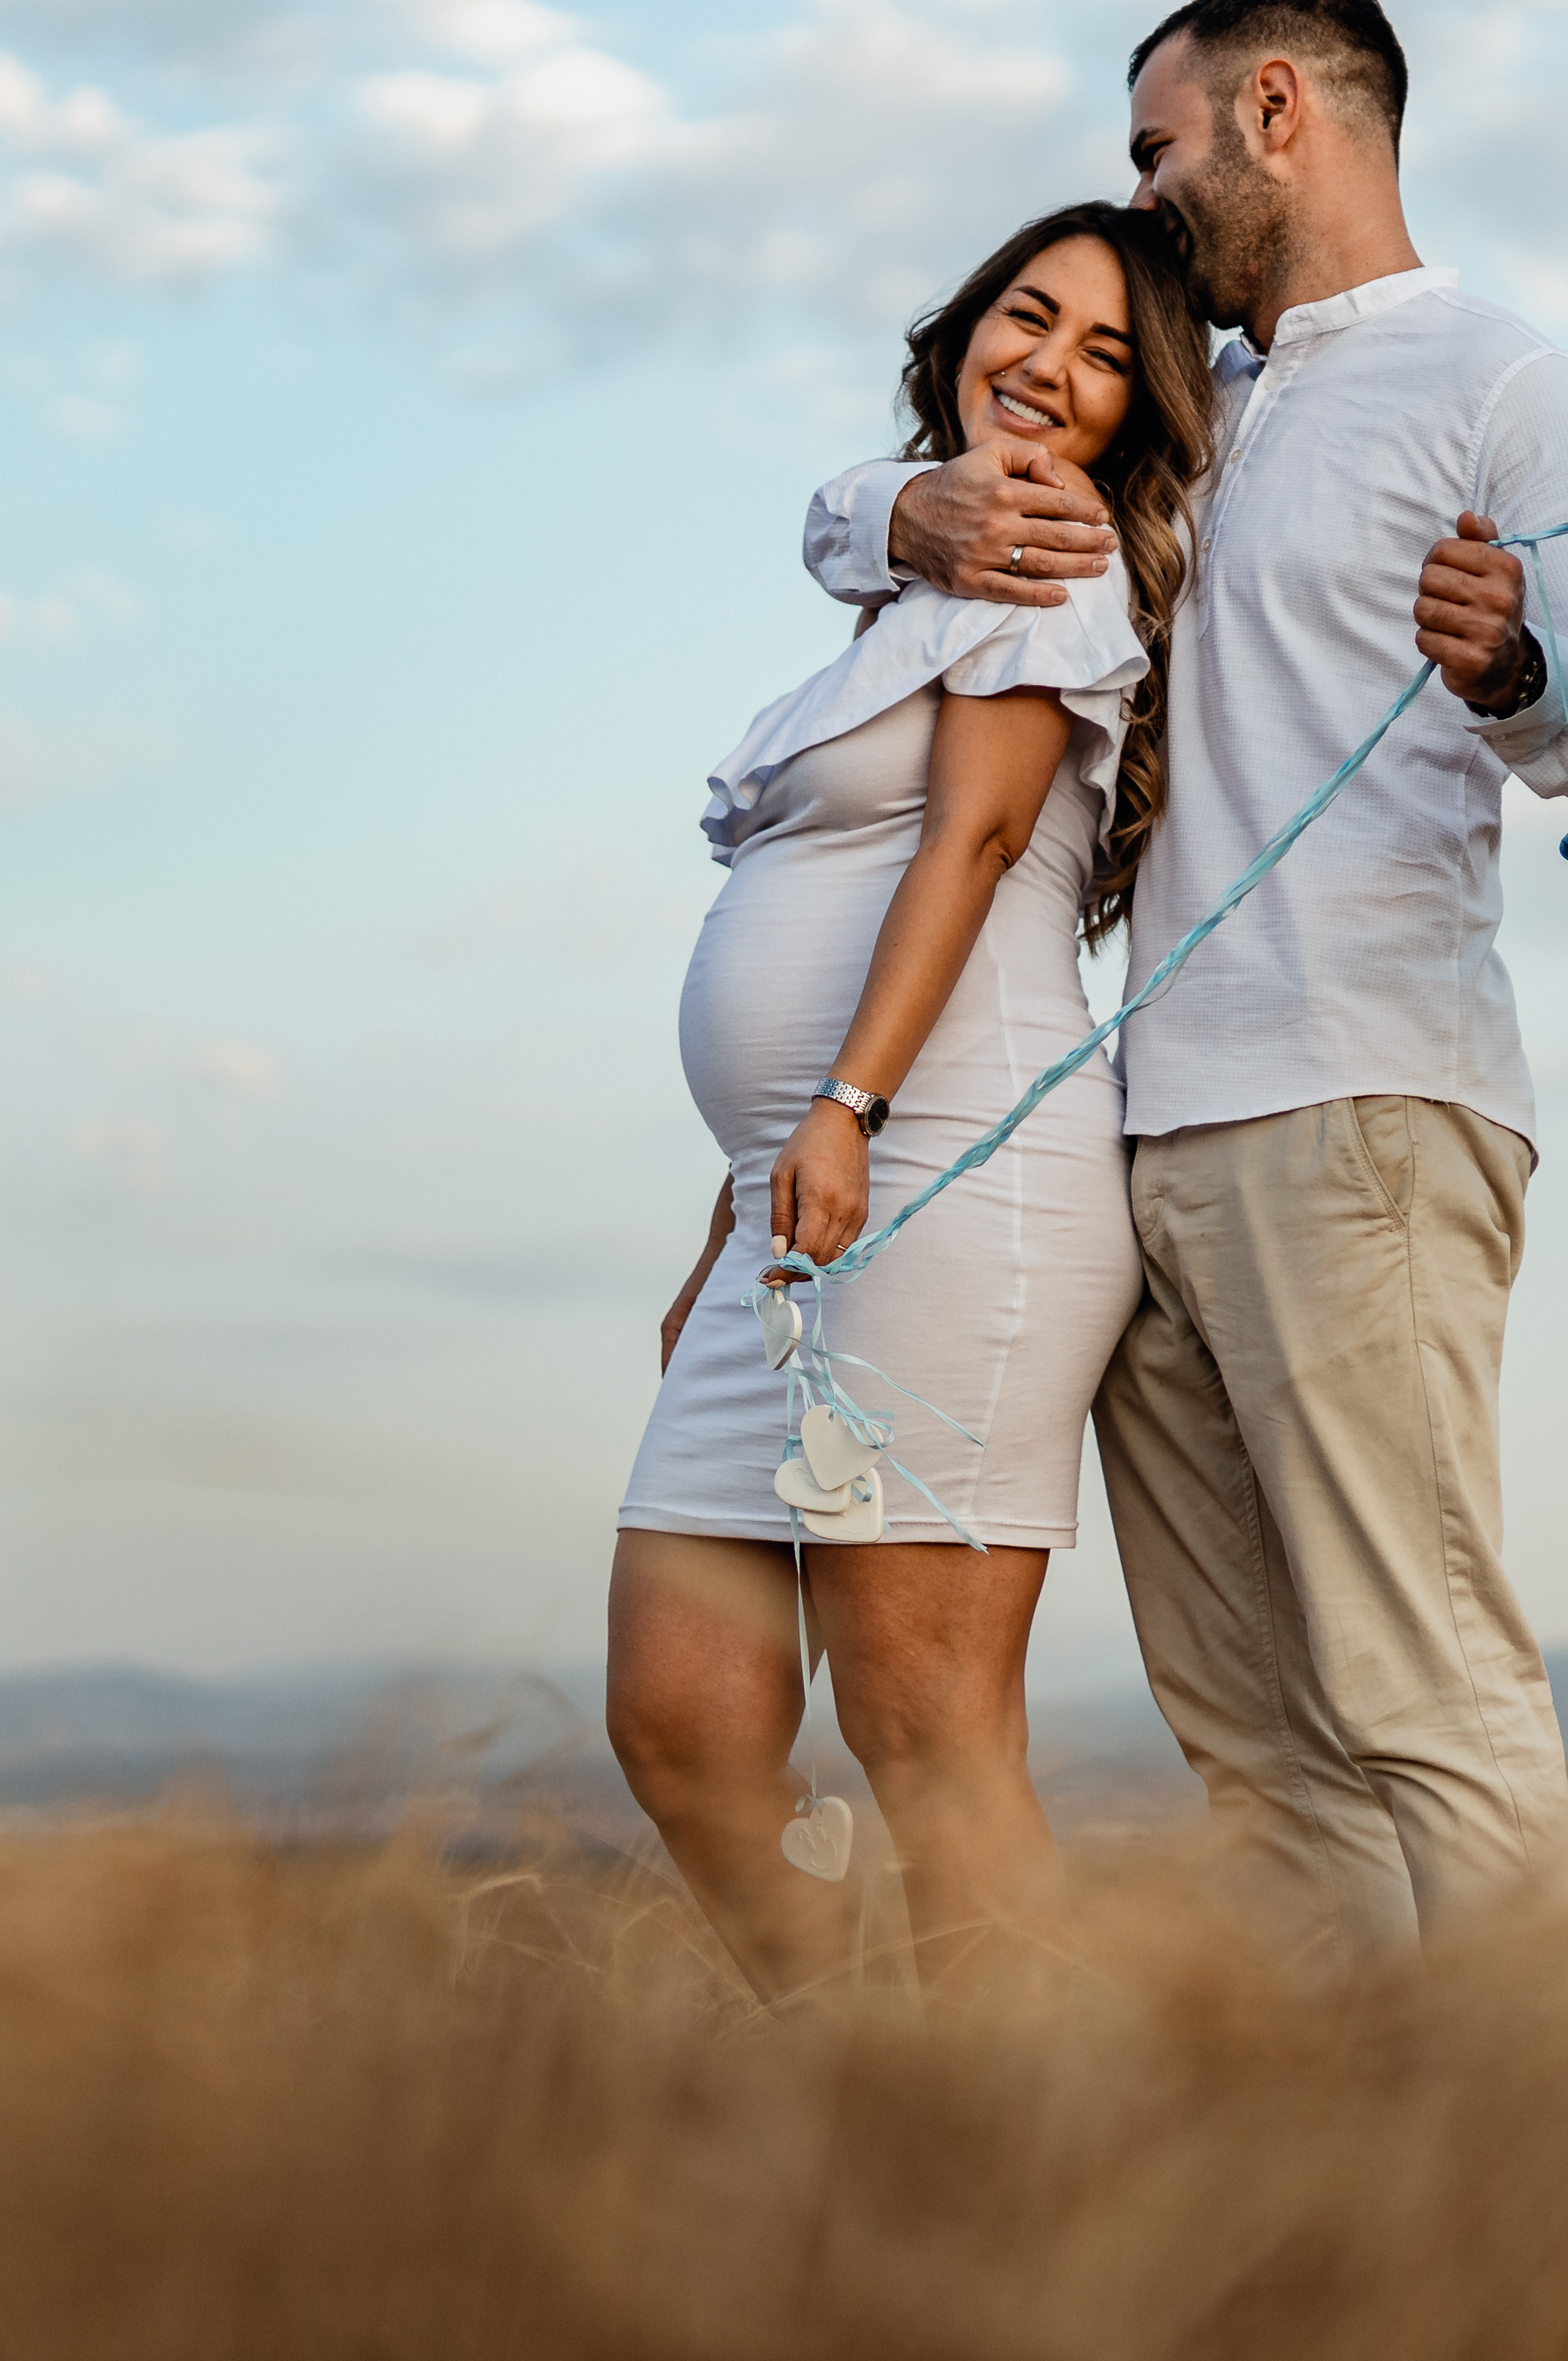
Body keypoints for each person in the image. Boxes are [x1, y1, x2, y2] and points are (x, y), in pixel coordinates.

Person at [799, 0, 1568, 1963]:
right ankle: (1341, 2196)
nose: (1143, 188)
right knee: (1258, 1745)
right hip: (1143, 1134)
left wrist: (1522, 666)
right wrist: (902, 508)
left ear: (1276, 111)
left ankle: (1545, 2200)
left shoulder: (1506, 384)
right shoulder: (1196, 411)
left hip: (1364, 1107)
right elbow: (866, 500)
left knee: (1419, 1688)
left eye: (1160, 143)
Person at [606, 201, 1219, 1995]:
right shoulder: (912, 571)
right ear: (965, 329)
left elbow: (976, 834)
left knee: (928, 1732)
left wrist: (851, 1105)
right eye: (1030, 318)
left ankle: (1026, 2151)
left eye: (1109, 356)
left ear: (1135, 416)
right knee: (682, 1719)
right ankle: (858, 2079)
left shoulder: (1054, 553)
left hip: (952, 1172)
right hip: (802, 1199)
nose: (1051, 366)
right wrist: (735, 1207)